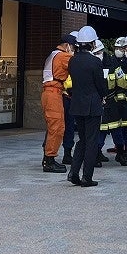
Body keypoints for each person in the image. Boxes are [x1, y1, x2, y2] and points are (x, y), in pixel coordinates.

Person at [66, 26, 107, 187]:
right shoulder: (95, 61)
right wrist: (104, 96)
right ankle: (87, 177)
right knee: (91, 141)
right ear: (92, 43)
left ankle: (73, 172)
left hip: (77, 104)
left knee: (82, 140)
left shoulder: (72, 60)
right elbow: (100, 85)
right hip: (92, 105)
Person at [40, 33, 74, 173]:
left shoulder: (53, 54)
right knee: (57, 127)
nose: (74, 50)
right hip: (54, 93)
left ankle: (48, 157)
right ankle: (49, 160)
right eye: (73, 47)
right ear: (67, 45)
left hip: (50, 93)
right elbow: (77, 65)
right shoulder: (63, 56)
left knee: (52, 126)